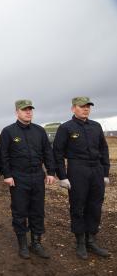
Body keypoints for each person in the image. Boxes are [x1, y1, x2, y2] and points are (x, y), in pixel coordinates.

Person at [53, 97, 110, 260]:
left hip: (96, 170)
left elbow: (104, 150)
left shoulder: (96, 126)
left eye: (88, 107)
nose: (86, 109)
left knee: (95, 205)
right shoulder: (66, 128)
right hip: (77, 169)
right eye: (82, 107)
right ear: (73, 109)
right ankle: (80, 242)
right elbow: (57, 153)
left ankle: (91, 240)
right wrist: (62, 176)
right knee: (78, 205)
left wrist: (105, 172)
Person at [0, 99, 55, 259]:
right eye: (25, 110)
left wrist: (51, 172)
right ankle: (22, 244)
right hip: (18, 177)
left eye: (30, 109)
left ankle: (36, 243)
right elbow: (3, 155)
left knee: (37, 211)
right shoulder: (8, 132)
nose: (28, 112)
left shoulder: (39, 131)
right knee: (20, 211)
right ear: (17, 112)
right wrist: (7, 175)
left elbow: (47, 153)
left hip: (37, 176)